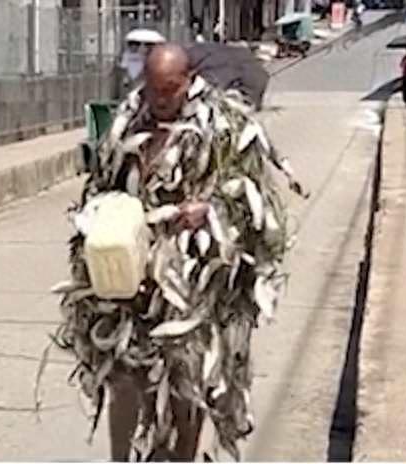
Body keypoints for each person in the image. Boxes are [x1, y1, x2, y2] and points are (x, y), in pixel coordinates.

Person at [54, 44, 307, 461]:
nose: (160, 99)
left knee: (186, 379)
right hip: (129, 279)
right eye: (153, 89)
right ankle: (122, 456)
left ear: (188, 82)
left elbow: (252, 204)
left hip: (192, 287)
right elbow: (102, 184)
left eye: (169, 90)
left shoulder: (223, 126)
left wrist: (210, 211)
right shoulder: (128, 121)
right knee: (124, 376)